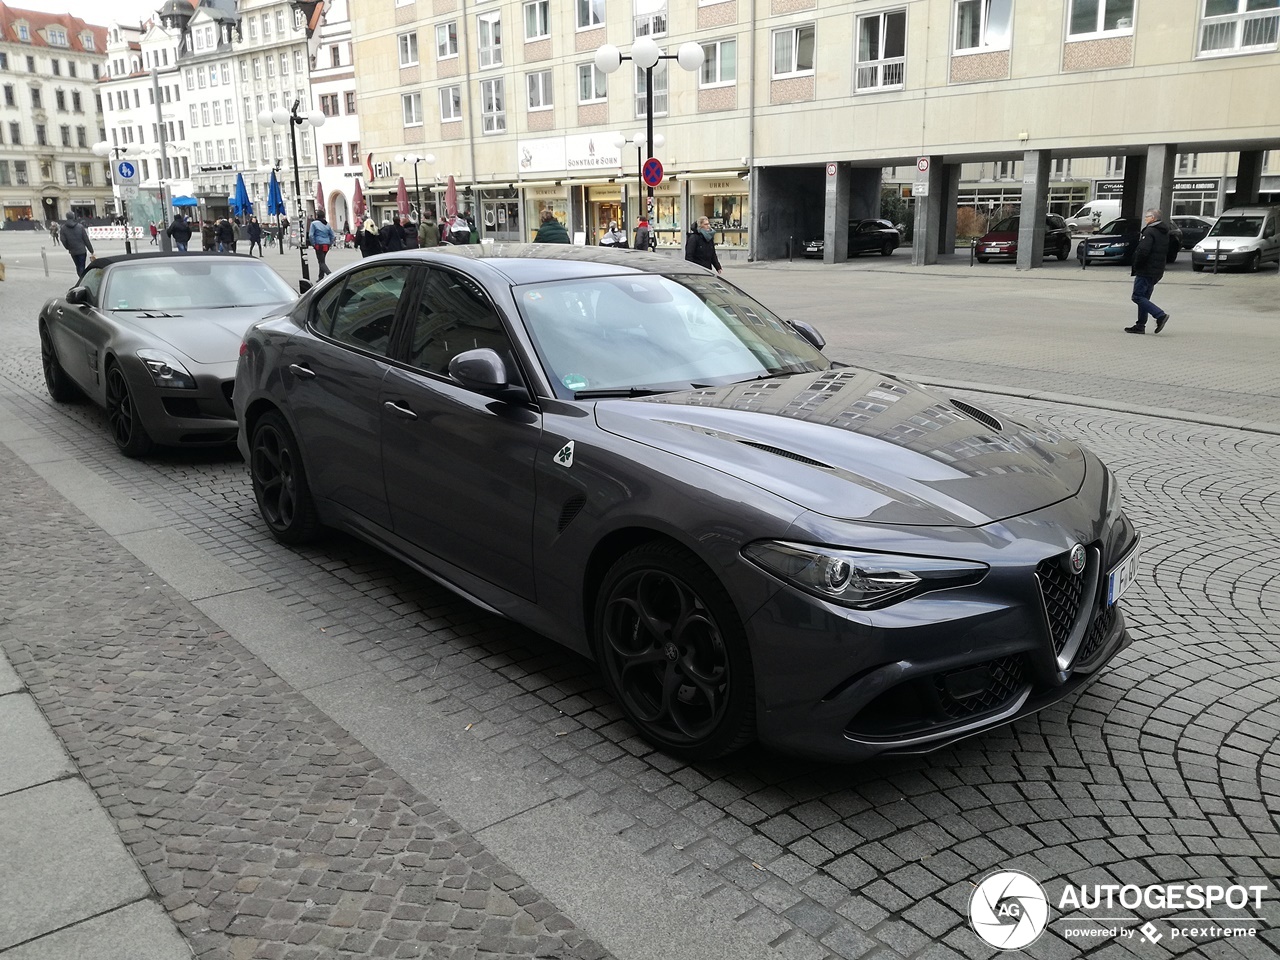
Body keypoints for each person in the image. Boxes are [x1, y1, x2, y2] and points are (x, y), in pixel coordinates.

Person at [1125, 208, 1172, 335]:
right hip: (1157, 270)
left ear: (1153, 218)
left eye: (1147, 216)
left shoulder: (1149, 231)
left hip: (1146, 269)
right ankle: (1140, 325)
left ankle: (1160, 315)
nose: (1145, 219)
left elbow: (1143, 251)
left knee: (1137, 296)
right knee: (1144, 298)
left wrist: (1137, 264)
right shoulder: (1163, 232)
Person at [308, 213, 336, 278]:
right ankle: (321, 277)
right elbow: (333, 235)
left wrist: (313, 244)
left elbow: (311, 235)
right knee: (322, 260)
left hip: (319, 244)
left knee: (321, 262)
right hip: (326, 244)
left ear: (317, 216)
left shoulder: (314, 223)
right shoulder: (327, 224)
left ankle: (330, 274)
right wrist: (330, 243)